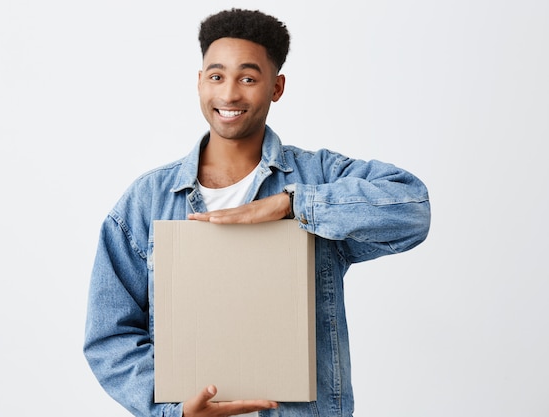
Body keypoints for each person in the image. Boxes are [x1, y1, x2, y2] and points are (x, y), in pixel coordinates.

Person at [84, 8, 430, 417]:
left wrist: (293, 204)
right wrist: (173, 411)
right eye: (216, 76)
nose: (229, 94)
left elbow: (412, 207)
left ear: (276, 87)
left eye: (248, 78)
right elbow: (110, 336)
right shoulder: (147, 199)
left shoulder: (317, 175)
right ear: (199, 82)